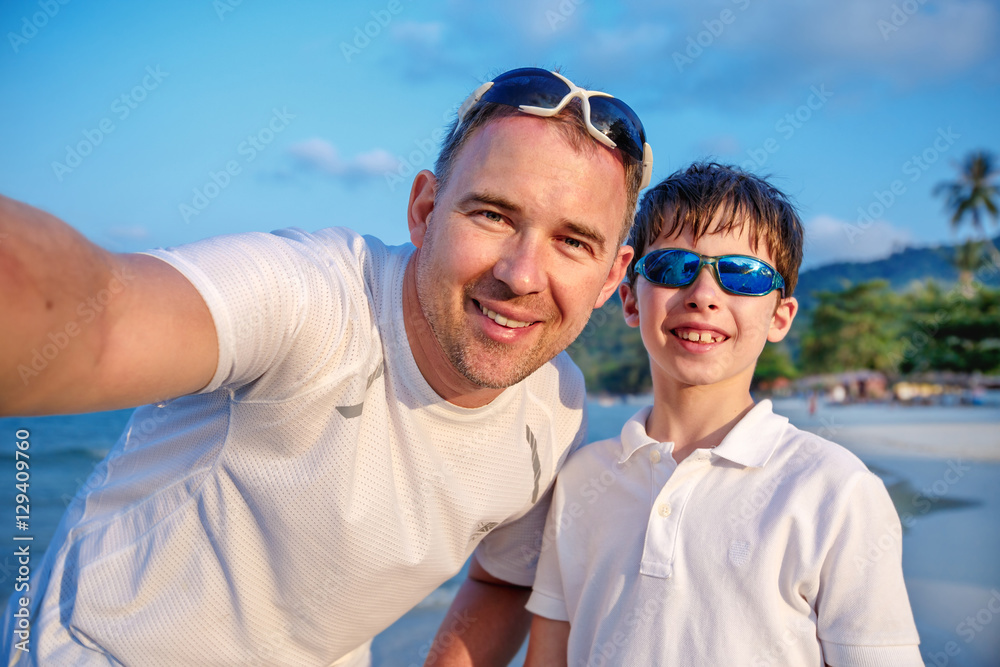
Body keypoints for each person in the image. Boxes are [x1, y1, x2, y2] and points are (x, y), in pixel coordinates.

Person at [0, 67, 653, 666]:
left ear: (610, 277)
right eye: (491, 213)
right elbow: (101, 321)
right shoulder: (312, 298)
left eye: (573, 241)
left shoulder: (556, 405)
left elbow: (502, 574)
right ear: (424, 211)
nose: (520, 274)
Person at [524, 163, 922, 666]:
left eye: (742, 274)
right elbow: (549, 654)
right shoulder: (583, 479)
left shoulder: (835, 490)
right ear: (629, 298)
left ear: (781, 316)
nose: (703, 296)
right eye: (673, 267)